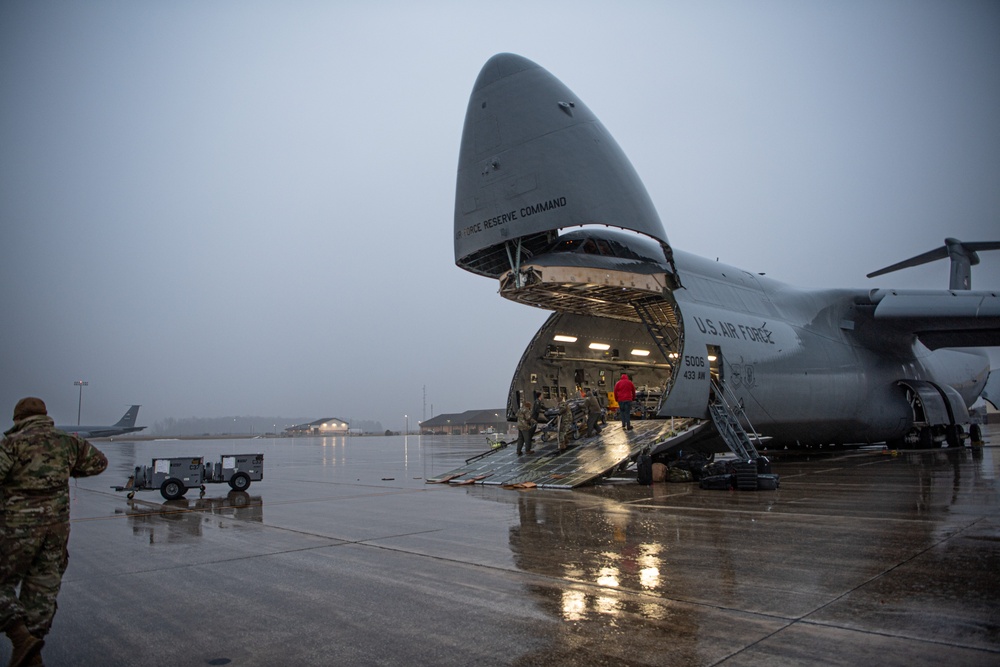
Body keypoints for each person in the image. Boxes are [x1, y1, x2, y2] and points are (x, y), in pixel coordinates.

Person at [1, 397, 108, 667]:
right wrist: (64, 471)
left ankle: (20, 637)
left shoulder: (12, 443)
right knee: (41, 592)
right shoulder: (67, 442)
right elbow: (99, 463)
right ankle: (31, 656)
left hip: (17, 531)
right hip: (56, 532)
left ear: (17, 419)